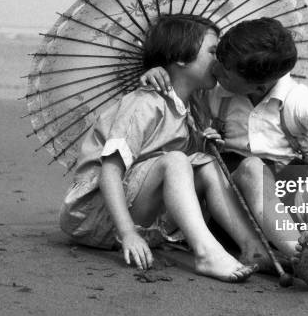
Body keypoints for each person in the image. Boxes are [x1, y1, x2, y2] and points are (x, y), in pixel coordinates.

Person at [140, 17, 308, 290]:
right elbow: (175, 107)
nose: (216, 70)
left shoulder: (296, 101)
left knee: (253, 167)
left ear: (258, 86)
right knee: (246, 166)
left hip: (290, 212)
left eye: (225, 72)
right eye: (217, 59)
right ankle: (304, 261)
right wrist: (158, 74)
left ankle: (298, 251)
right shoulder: (212, 93)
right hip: (231, 215)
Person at [60, 14, 268, 283]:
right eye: (213, 51)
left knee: (206, 163)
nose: (221, 60)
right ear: (181, 58)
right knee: (175, 161)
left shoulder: (193, 107)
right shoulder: (144, 103)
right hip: (98, 218)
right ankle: (206, 253)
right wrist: (128, 234)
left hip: (140, 213)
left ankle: (252, 248)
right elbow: (109, 172)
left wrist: (204, 141)